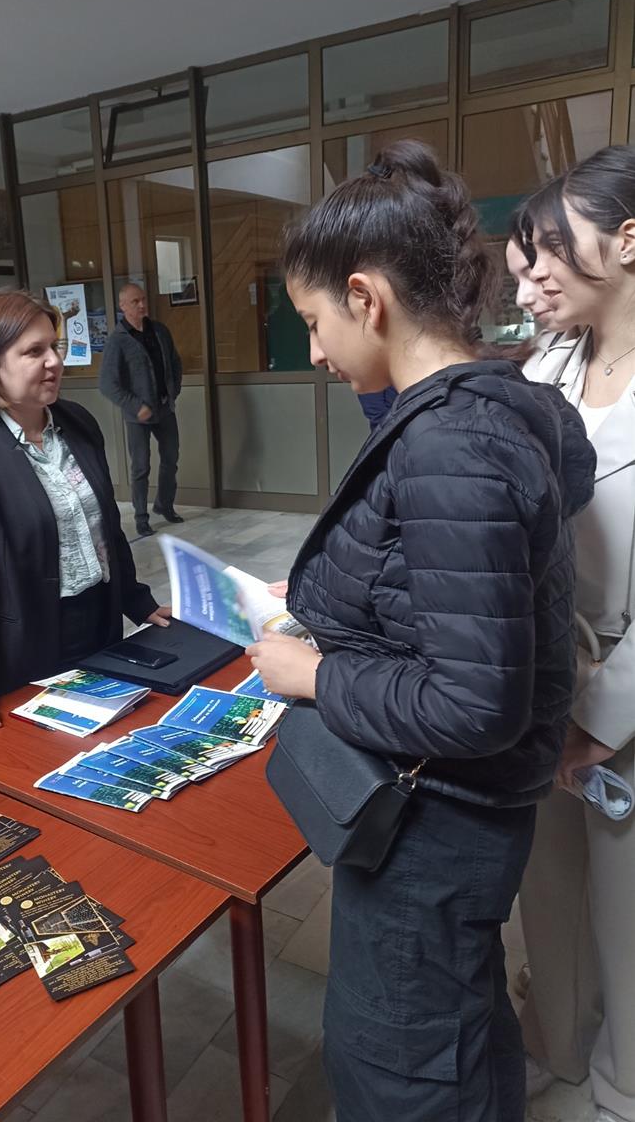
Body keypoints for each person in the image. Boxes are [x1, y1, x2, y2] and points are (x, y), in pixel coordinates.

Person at [246, 141, 595, 1122]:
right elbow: (450, 575)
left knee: (403, 1068)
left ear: (365, 299)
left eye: (313, 323)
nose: (316, 353)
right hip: (452, 816)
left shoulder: (450, 441)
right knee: (460, 1030)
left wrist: (312, 675)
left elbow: (474, 702)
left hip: (434, 821)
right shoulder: (488, 409)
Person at [510, 146, 635, 1122]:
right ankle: (555, 1041)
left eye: (553, 249)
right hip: (540, 680)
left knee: (625, 909)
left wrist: (603, 718)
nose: (533, 278)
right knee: (546, 891)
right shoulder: (546, 365)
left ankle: (622, 1081)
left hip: (624, 699)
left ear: (628, 240)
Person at [0, 289, 170, 748]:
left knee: (109, 747)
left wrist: (137, 600)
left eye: (55, 346)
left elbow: (105, 527)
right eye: (34, 351)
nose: (54, 361)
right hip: (27, 644)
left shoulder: (78, 423)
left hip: (101, 623)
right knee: (41, 757)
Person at [99, 282, 183, 537]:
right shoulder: (117, 341)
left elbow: (174, 362)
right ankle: (141, 518)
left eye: (143, 299)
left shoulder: (159, 331)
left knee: (171, 458)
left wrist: (173, 391)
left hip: (164, 408)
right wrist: (136, 406)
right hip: (138, 417)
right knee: (141, 467)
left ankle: (164, 504)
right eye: (135, 301)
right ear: (123, 306)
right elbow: (107, 384)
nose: (142, 305)